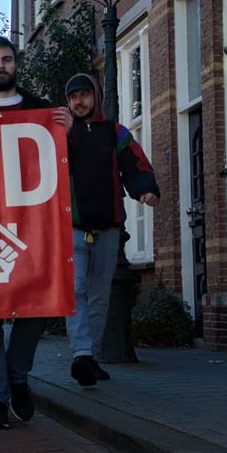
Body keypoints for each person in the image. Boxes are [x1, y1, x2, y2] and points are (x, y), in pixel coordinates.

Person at [0, 36, 72, 429]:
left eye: (7, 59)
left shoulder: (42, 111)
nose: (0, 65)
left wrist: (70, 130)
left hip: (33, 230)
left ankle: (17, 378)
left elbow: (69, 162)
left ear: (16, 64)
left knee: (35, 311)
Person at [64, 73, 159, 386]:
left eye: (84, 95)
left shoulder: (115, 132)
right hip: (72, 229)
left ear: (96, 97)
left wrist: (145, 189)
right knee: (75, 291)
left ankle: (88, 357)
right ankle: (80, 353)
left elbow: (136, 163)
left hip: (108, 228)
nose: (79, 102)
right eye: (73, 97)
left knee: (100, 297)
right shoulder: (60, 135)